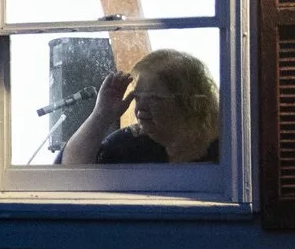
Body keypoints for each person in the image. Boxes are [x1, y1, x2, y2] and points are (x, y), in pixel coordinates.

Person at [61, 48, 220, 165]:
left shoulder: (226, 149)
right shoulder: (130, 143)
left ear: (190, 102)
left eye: (154, 98)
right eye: (137, 97)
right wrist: (101, 115)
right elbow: (72, 173)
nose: (140, 107)